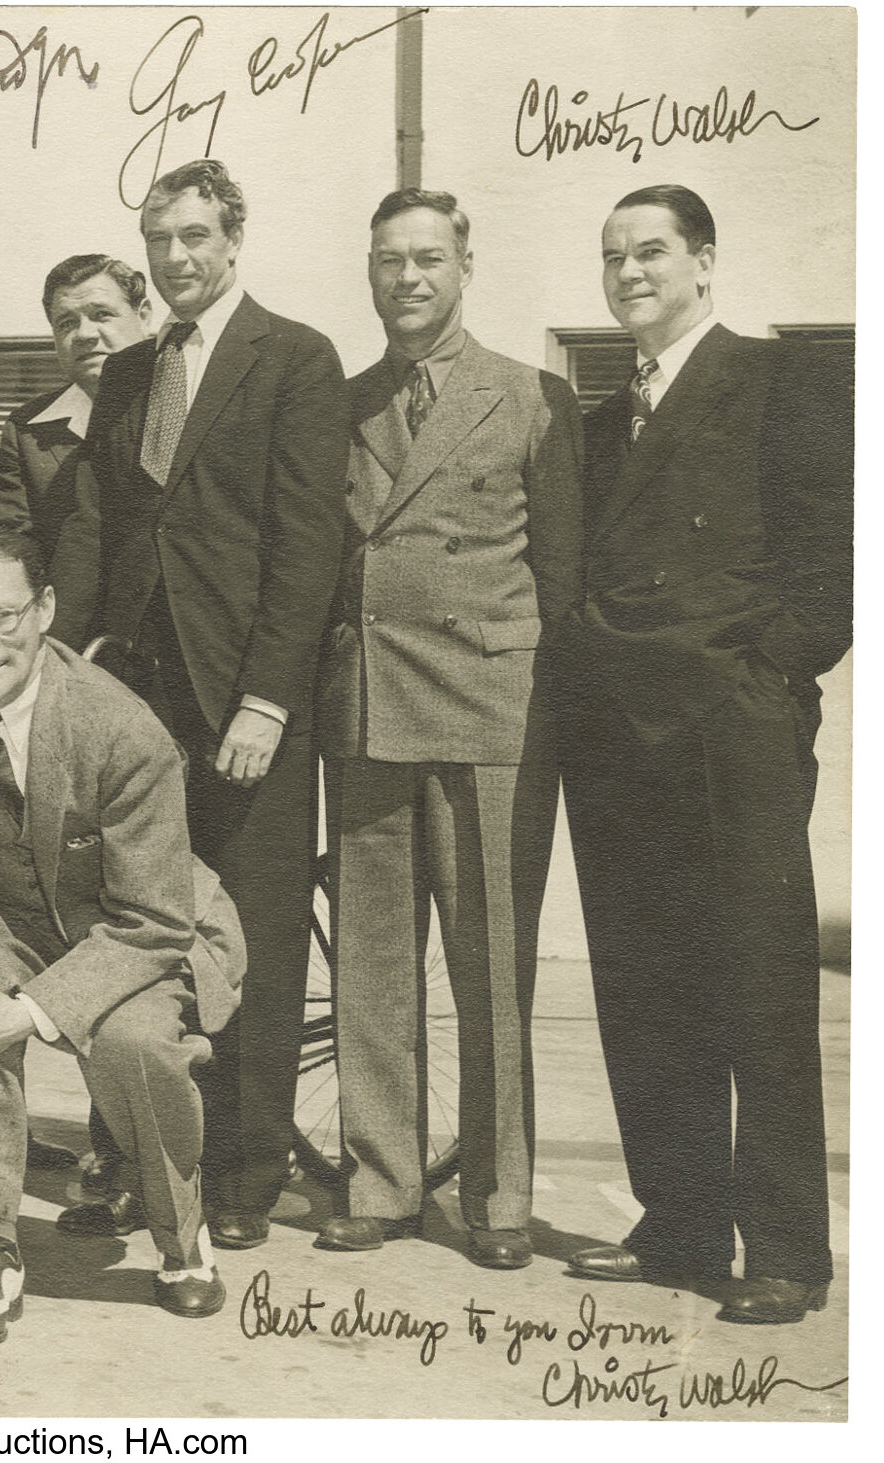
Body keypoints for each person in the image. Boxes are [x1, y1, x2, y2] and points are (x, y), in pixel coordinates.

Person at [560, 185, 850, 1325]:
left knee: (757, 986)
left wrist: (764, 680)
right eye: (610, 256)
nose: (628, 272)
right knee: (643, 982)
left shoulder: (778, 382)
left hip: (731, 730)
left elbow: (831, 559)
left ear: (703, 260)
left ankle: (784, 1250)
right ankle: (676, 1220)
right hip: (618, 737)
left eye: (649, 252)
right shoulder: (594, 420)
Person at [50, 159, 348, 1249]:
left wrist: (268, 698)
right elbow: (93, 520)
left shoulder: (296, 358)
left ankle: (240, 1179)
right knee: (131, 931)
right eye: (157, 239)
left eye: (192, 236)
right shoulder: (128, 372)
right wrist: (68, 657)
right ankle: (132, 1161)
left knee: (253, 941)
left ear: (232, 236)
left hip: (244, 699)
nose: (175, 257)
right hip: (137, 694)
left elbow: (309, 539)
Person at [0, 524, 245, 1347]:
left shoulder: (121, 730)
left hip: (138, 924)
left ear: (45, 609)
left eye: (5, 616)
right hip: (14, 916)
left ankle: (182, 1230)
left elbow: (154, 921)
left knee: (133, 1039)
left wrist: (37, 1010)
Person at [313, 189, 582, 1270]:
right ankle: (378, 1179)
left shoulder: (530, 397)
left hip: (486, 706)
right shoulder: (337, 402)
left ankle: (496, 1193)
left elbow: (557, 577)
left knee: (489, 962)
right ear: (368, 271)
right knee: (373, 965)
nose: (408, 278)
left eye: (427, 258)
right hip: (367, 700)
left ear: (464, 264)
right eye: (389, 260)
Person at [0, 255, 154, 562]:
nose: (85, 334)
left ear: (143, 316)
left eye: (102, 314)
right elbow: (13, 547)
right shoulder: (27, 431)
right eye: (66, 323)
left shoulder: (184, 406)